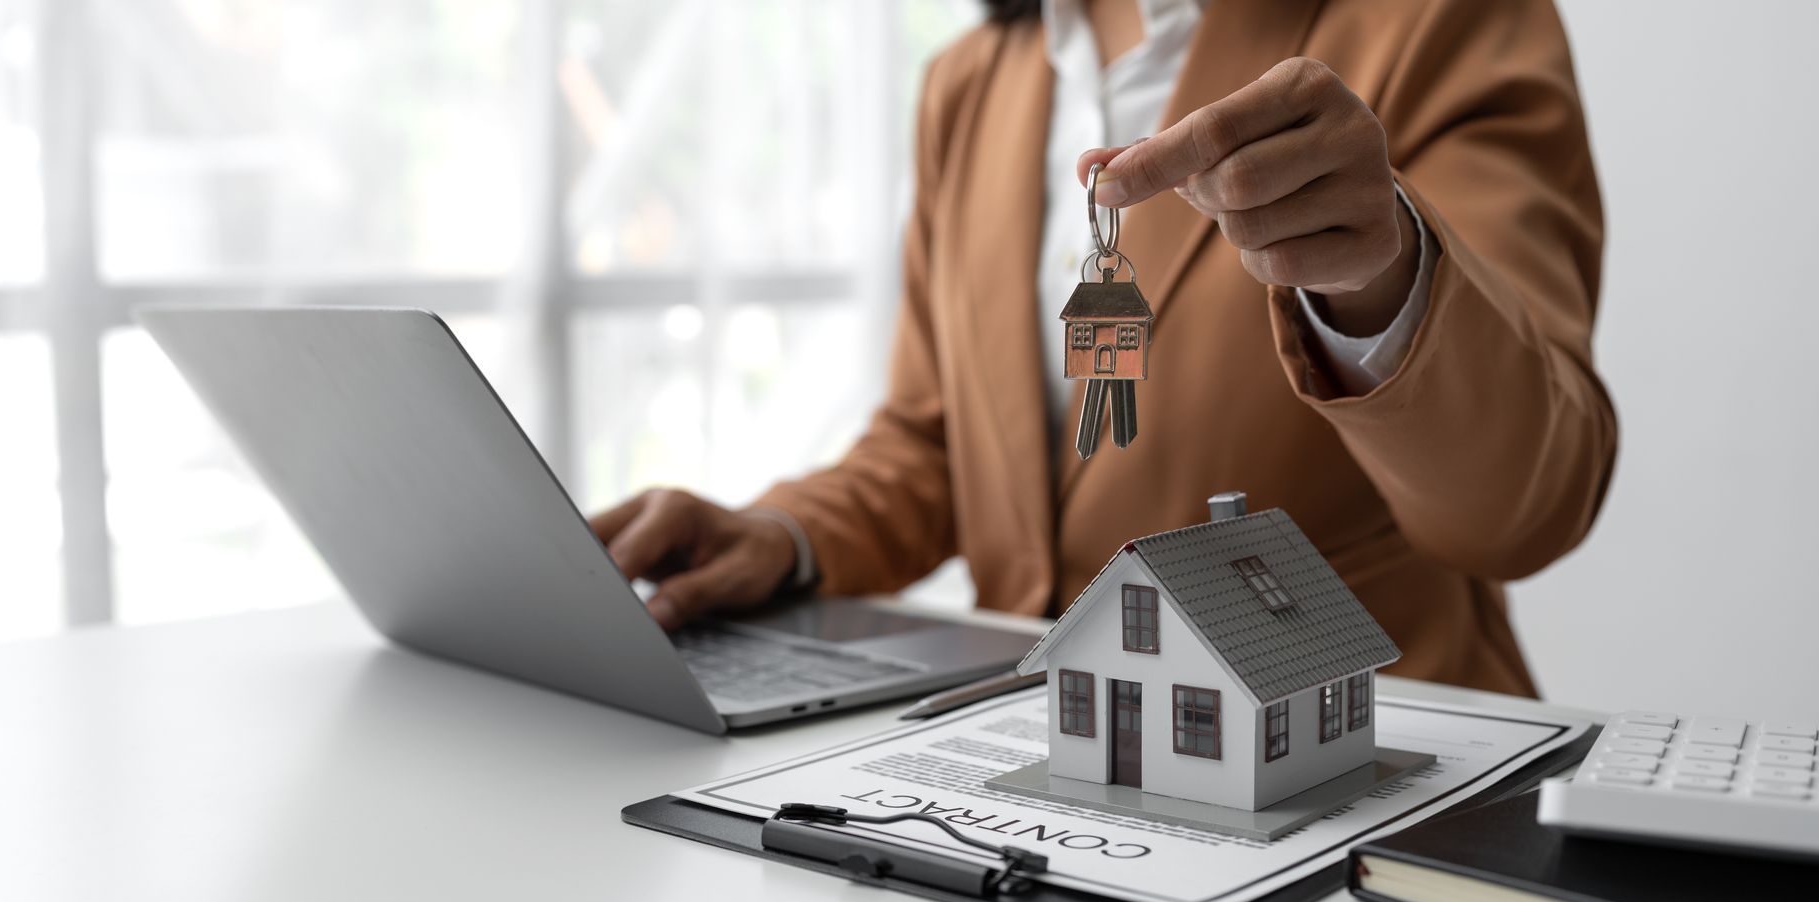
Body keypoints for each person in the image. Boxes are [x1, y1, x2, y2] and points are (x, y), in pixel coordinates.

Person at [591, 0, 1615, 698]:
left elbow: (1528, 504)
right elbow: (936, 445)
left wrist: (1380, 273)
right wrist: (781, 537)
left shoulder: (1444, 22)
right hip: (1038, 780)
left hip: (1364, 777)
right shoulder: (971, 82)